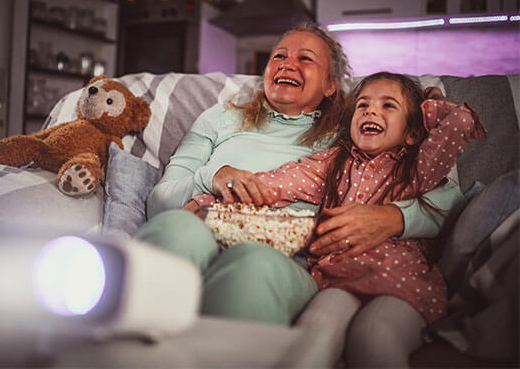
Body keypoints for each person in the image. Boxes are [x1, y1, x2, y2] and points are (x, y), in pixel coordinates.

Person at [137, 23, 466, 326]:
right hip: (205, 225)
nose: (286, 64)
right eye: (279, 55)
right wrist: (213, 176)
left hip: (287, 258)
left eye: (305, 59)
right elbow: (160, 200)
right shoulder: (220, 118)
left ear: (330, 85)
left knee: (255, 265)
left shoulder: (351, 133)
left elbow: (445, 195)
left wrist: (392, 217)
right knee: (176, 228)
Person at [194, 72, 486, 367]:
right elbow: (271, 185)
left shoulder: (418, 169)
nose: (371, 111)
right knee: (313, 334)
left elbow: (460, 121)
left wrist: (431, 103)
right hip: (336, 280)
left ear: (411, 133)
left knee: (374, 335)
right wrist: (205, 204)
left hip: (402, 283)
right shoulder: (332, 164)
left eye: (388, 106)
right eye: (363, 105)